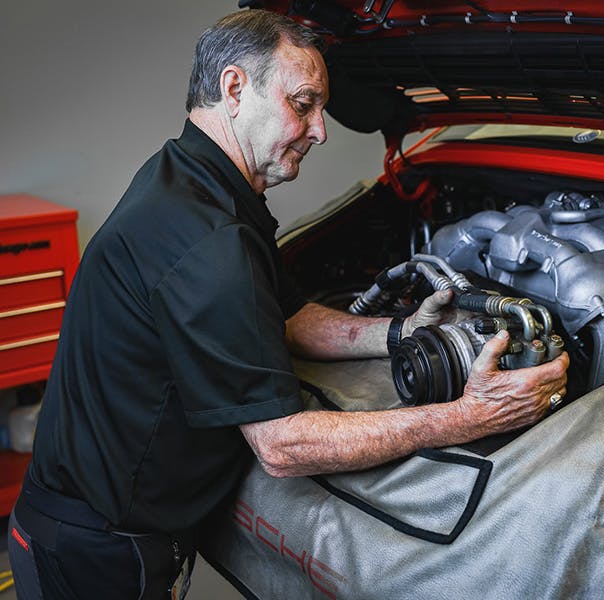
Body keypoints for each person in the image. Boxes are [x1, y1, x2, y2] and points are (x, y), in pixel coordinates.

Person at [7, 9, 569, 600]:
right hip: (96, 551)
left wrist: (398, 333)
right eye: (303, 104)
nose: (321, 130)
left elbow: (288, 316)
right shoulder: (207, 241)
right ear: (233, 88)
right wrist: (466, 418)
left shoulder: (199, 180)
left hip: (108, 524)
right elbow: (283, 444)